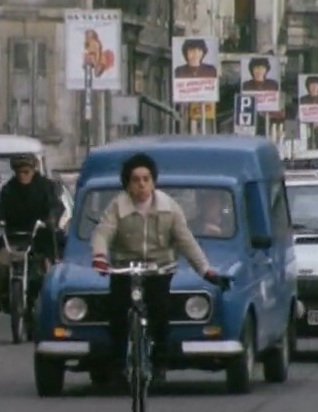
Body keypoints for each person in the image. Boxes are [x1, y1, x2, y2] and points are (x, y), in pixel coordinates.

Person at [90, 153, 230, 375]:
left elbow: (186, 240)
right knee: (116, 311)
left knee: (160, 311)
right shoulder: (118, 206)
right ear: (128, 184)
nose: (142, 185)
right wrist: (99, 256)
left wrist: (206, 270)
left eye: (146, 179)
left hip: (159, 267)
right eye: (136, 180)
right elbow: (103, 232)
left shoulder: (169, 207)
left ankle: (160, 360)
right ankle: (117, 361)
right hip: (125, 267)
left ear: (153, 181)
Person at [0, 154, 64, 315]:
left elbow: (56, 206)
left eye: (25, 171)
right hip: (14, 238)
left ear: (33, 170)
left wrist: (51, 219)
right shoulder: (9, 189)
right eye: (18, 172)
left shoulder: (46, 186)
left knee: (48, 268)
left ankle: (52, 299)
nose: (22, 176)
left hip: (41, 238)